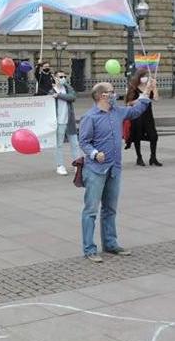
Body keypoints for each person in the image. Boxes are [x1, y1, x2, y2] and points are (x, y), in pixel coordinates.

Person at [78, 80, 155, 263]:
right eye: (112, 92)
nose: (115, 94)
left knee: (110, 209)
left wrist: (146, 93)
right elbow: (84, 142)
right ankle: (89, 249)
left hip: (114, 168)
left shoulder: (117, 112)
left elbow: (136, 111)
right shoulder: (91, 117)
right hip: (95, 170)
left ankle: (110, 244)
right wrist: (95, 153)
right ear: (102, 95)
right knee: (91, 210)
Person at [125, 68, 161, 167]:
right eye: (144, 76)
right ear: (139, 77)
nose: (145, 78)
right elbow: (128, 103)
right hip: (137, 115)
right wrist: (142, 97)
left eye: (147, 76)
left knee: (153, 136)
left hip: (148, 115)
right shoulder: (133, 87)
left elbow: (156, 98)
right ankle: (139, 157)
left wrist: (154, 87)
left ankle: (153, 157)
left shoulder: (149, 87)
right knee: (137, 136)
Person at [51, 69, 81, 175]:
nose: (63, 79)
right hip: (58, 122)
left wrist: (59, 95)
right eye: (60, 77)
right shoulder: (51, 91)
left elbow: (72, 97)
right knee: (59, 144)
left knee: (75, 144)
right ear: (55, 78)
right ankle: (60, 165)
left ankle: (78, 165)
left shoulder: (67, 89)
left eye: (64, 77)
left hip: (69, 121)